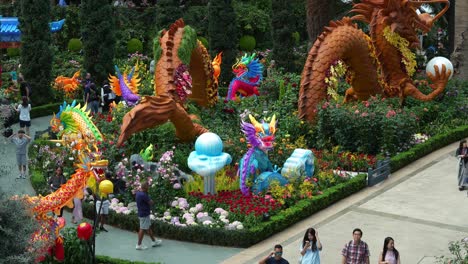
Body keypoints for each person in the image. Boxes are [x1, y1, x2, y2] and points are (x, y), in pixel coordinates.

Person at [135, 181, 162, 250]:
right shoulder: (143, 195)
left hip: (142, 212)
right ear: (146, 188)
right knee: (142, 228)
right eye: (148, 187)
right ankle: (139, 244)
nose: (148, 188)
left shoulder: (138, 193)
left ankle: (154, 241)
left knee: (148, 227)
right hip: (144, 214)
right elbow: (151, 202)